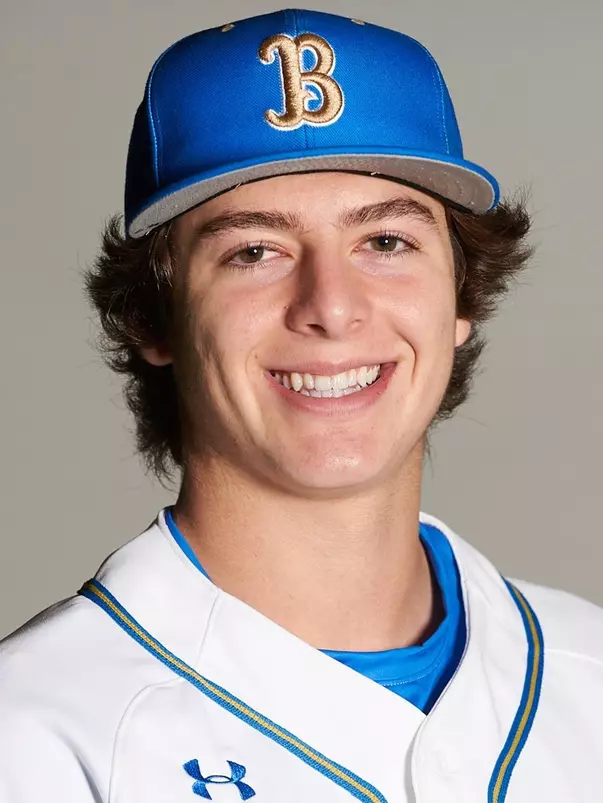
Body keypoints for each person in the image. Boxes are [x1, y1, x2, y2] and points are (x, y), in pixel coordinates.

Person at [1, 8, 602, 803]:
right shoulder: (34, 729)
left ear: (461, 296)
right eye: (255, 250)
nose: (332, 306)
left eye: (385, 242)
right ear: (153, 317)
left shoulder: (585, 667)